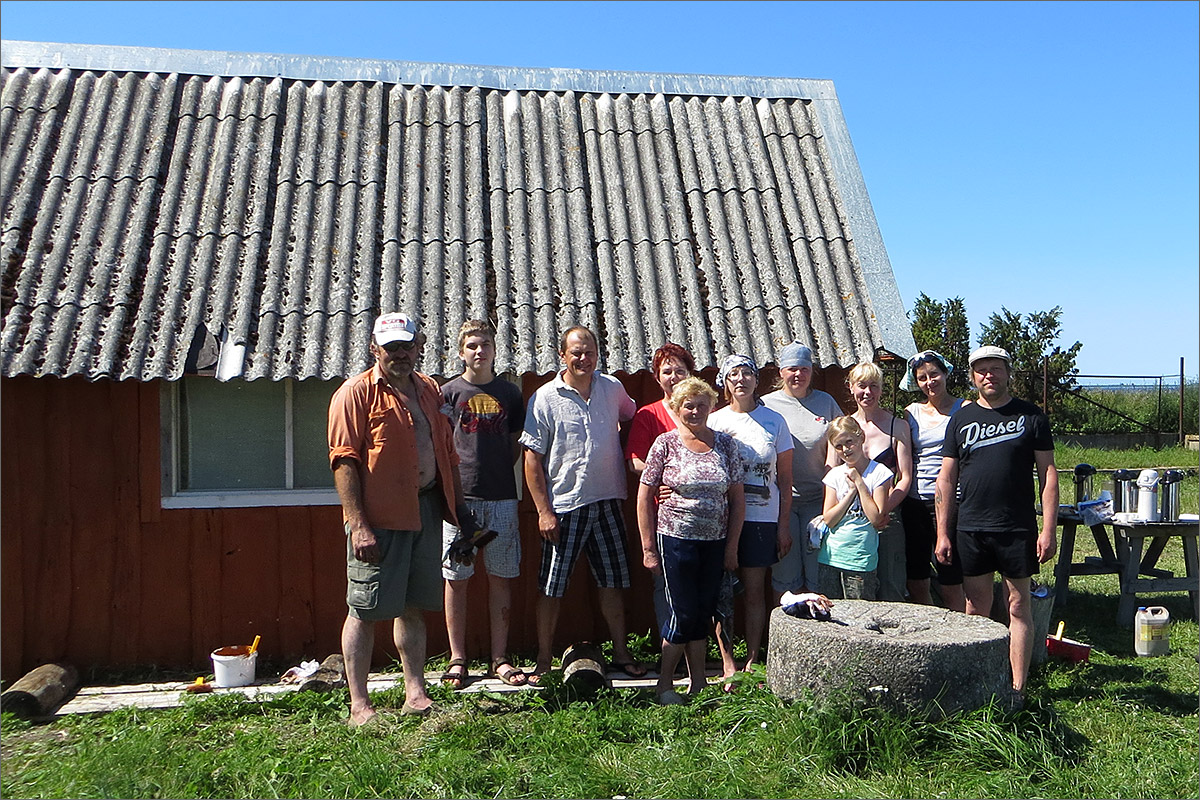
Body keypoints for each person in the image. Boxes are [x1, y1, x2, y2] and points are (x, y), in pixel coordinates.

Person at [327, 312, 463, 725]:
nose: (400, 354)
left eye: (407, 346)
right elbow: (344, 461)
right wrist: (359, 523)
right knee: (364, 608)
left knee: (413, 606)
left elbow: (445, 450)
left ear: (418, 346)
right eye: (391, 348)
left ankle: (415, 691)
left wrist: (459, 511)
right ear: (374, 349)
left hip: (423, 509)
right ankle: (359, 704)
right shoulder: (354, 394)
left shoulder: (428, 389)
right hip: (378, 517)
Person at [520, 325, 645, 681]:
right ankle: (545, 659)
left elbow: (632, 417)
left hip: (608, 501)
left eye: (589, 352)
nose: (583, 358)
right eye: (576, 352)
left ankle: (620, 652)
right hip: (565, 506)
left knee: (612, 583)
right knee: (551, 586)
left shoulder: (612, 389)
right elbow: (531, 458)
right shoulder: (545, 397)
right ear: (563, 355)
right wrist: (544, 511)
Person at [936, 345, 1058, 696]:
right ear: (973, 377)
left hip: (1016, 527)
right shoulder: (961, 418)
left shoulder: (1031, 416)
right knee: (976, 605)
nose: (988, 375)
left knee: (1018, 604)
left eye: (995, 369)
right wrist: (943, 532)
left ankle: (1018, 687)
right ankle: (979, 680)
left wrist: (1047, 529)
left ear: (1008, 373)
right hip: (971, 526)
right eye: (981, 371)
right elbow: (946, 478)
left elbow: (1048, 473)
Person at [637, 378, 746, 704]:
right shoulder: (665, 444)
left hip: (714, 542)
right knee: (684, 614)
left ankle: (698, 685)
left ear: (711, 407)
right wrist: (648, 549)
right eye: (688, 405)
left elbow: (738, 500)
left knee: (703, 612)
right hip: (676, 541)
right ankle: (664, 685)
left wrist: (731, 547)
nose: (695, 411)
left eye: (701, 404)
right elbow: (644, 497)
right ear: (676, 408)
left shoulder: (726, 445)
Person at [439, 320, 528, 689]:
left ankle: (499, 659)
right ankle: (457, 659)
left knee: (501, 578)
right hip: (460, 502)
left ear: (494, 349)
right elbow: (442, 446)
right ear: (461, 352)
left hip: (502, 498)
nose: (479, 351)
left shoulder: (509, 393)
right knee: (456, 579)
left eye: (485, 344)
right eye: (472, 345)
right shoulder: (447, 393)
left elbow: (515, 445)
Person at [708, 354, 793, 672]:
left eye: (747, 374)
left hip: (762, 519)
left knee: (756, 591)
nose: (740, 380)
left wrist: (783, 525)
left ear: (757, 381)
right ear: (725, 384)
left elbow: (785, 480)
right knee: (723, 592)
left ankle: (753, 658)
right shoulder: (716, 422)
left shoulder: (775, 421)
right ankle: (727, 660)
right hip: (723, 520)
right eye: (733, 375)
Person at [762, 341, 843, 594]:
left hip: (819, 502)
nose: (798, 375)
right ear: (781, 372)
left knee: (819, 576)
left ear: (812, 371)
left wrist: (833, 469)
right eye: (792, 369)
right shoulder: (766, 405)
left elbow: (841, 439)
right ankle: (785, 632)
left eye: (804, 369)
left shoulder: (825, 402)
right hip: (780, 503)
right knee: (786, 579)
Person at [900, 351, 967, 611]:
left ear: (946, 374)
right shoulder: (911, 413)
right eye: (922, 378)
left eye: (934, 374)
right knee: (917, 578)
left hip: (954, 500)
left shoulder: (965, 409)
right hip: (916, 501)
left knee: (951, 577)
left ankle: (960, 632)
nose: (930, 382)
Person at [839, 361, 911, 601]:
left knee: (892, 584)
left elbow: (905, 478)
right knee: (854, 586)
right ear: (851, 388)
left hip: (887, 516)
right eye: (862, 386)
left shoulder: (897, 426)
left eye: (874, 386)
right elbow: (830, 471)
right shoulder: (841, 426)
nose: (867, 392)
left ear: (881, 389)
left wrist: (882, 511)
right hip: (850, 518)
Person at [818, 416, 893, 598]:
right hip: (832, 557)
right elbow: (829, 519)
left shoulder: (879, 473)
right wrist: (850, 494)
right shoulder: (834, 476)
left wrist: (859, 483)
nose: (845, 449)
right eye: (838, 446)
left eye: (849, 442)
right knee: (831, 616)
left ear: (861, 438)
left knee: (859, 617)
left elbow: (876, 518)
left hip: (860, 560)